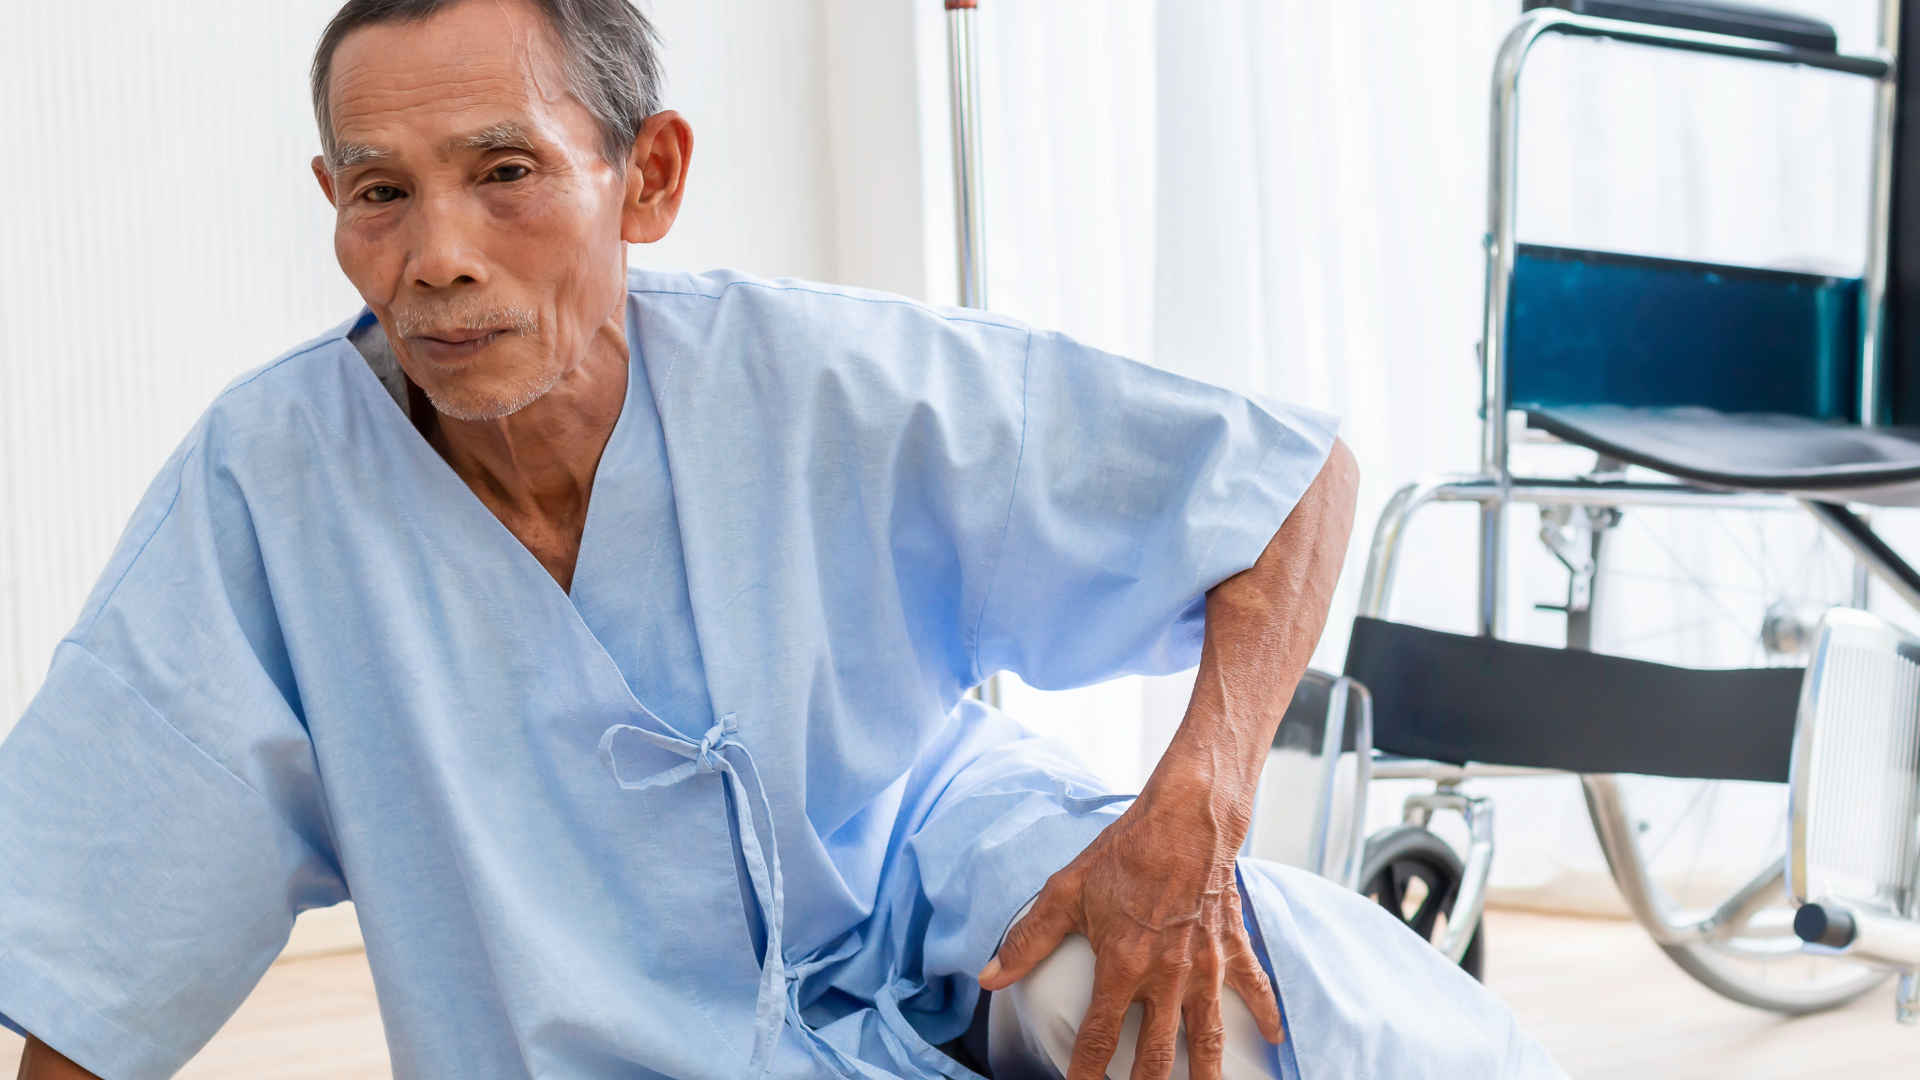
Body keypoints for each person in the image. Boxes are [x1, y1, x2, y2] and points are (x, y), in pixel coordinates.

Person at [0, 1, 1565, 1078]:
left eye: (505, 174)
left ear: (649, 177)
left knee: (1200, 999)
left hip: (938, 873)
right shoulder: (270, 483)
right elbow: (115, 900)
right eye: (379, 196)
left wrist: (1196, 806)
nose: (436, 261)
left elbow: (1287, 487)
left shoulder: (822, 379)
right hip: (593, 1031)